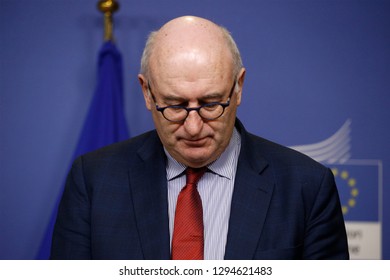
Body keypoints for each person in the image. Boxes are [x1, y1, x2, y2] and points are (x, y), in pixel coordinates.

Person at [51, 15, 349, 260]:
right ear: (146, 92)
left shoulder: (307, 188)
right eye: (175, 106)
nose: (193, 128)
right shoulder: (93, 181)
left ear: (239, 87)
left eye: (210, 104)